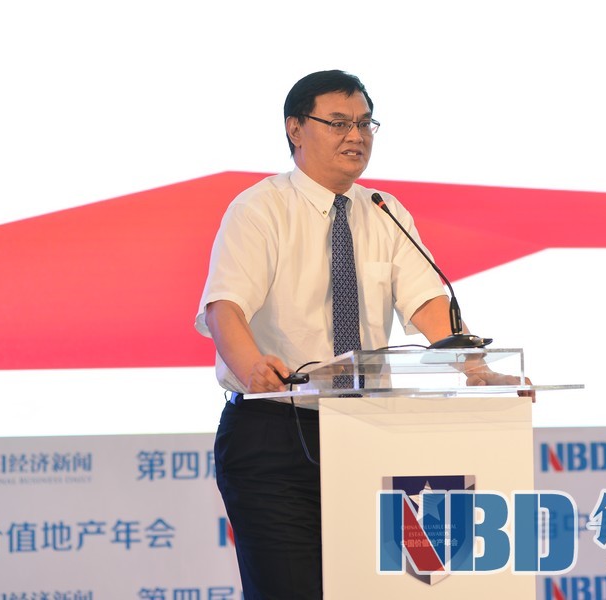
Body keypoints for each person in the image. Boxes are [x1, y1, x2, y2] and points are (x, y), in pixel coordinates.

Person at [195, 70, 490, 599]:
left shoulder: (383, 210)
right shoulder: (260, 209)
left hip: (366, 430)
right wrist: (252, 366)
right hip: (277, 431)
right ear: (295, 129)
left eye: (364, 123)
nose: (356, 136)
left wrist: (475, 366)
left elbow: (427, 302)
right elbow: (224, 307)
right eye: (338, 123)